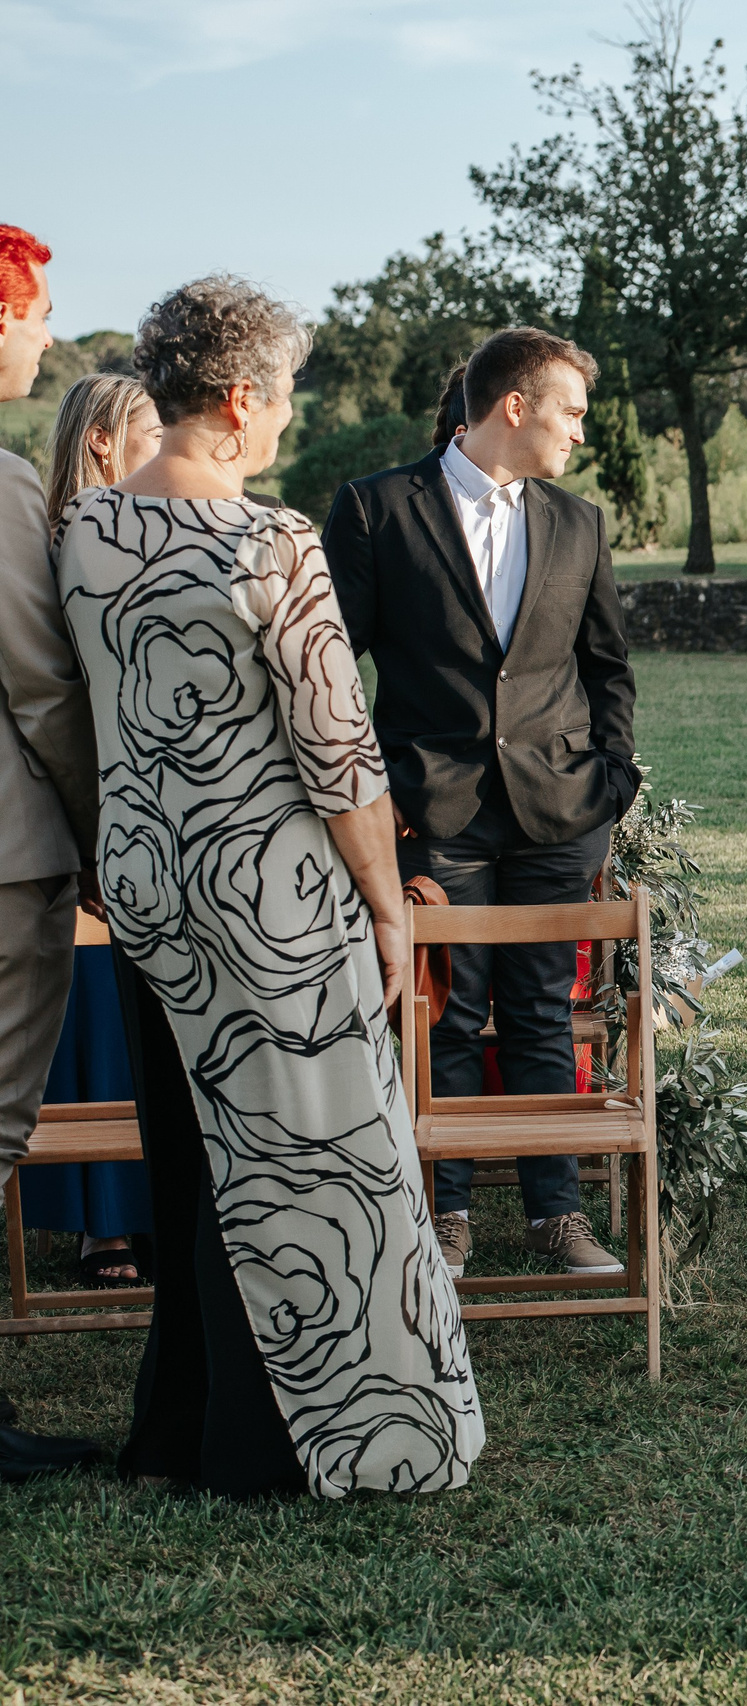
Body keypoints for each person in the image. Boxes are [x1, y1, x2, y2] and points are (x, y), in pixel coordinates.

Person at [57, 275, 481, 1497]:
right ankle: (320, 1446)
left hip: (148, 887)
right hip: (270, 900)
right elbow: (340, 755)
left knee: (193, 1161)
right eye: (285, 396)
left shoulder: (85, 531)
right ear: (239, 397)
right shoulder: (269, 540)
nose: (288, 419)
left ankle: (179, 1433)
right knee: (323, 1168)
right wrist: (391, 907)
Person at [321, 327, 639, 1281]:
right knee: (445, 1017)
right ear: (515, 406)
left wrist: (611, 779)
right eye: (571, 412)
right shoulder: (376, 510)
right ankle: (445, 1215)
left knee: (543, 1010)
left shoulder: (578, 522)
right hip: (433, 813)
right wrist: (379, 796)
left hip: (559, 810)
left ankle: (557, 1216)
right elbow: (332, 673)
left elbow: (607, 665)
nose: (580, 433)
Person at [0, 224, 111, 1480]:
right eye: (35, 315)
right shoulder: (3, 485)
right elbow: (39, 690)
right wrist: (100, 833)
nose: (44, 338)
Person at [20, 372, 163, 1288]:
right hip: (75, 794)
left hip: (148, 795)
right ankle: (100, 1221)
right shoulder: (49, 543)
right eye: (152, 429)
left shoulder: (155, 530)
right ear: (104, 442)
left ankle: (147, 1206)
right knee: (95, 1014)